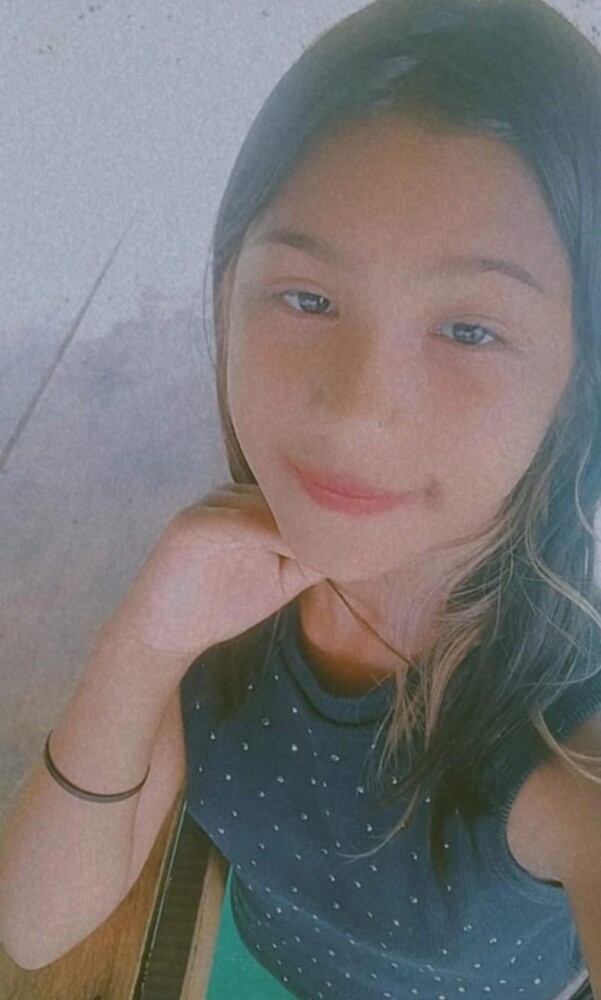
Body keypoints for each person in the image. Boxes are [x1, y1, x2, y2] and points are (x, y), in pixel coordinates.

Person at [1, 1, 601, 997]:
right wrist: (144, 640)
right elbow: (31, 923)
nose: (359, 411)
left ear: (579, 377)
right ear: (226, 294)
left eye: (468, 330)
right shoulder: (224, 599)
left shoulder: (571, 744)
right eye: (308, 297)